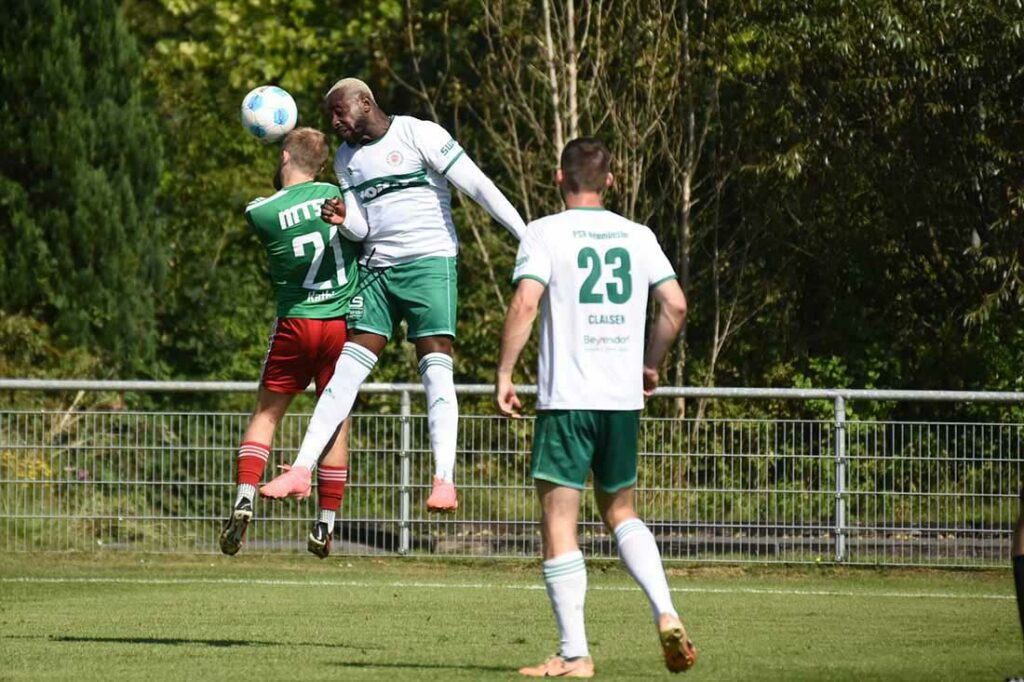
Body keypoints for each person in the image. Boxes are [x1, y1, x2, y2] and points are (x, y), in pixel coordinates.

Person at [260, 78, 526, 512]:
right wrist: (344, 220)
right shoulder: (346, 160)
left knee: (435, 366)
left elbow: (477, 185)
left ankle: (444, 479)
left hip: (429, 264)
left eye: (339, 111)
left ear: (365, 103)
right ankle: (302, 470)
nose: (334, 121)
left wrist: (524, 234)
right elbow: (362, 228)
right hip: (377, 271)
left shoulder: (420, 134)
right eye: (330, 115)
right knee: (346, 370)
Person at [495, 138, 696, 677]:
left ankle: (575, 652)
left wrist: (505, 373)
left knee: (560, 520)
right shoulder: (639, 236)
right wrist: (649, 363)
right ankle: (666, 611)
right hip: (620, 402)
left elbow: (526, 302)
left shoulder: (545, 233)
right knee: (621, 511)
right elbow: (675, 302)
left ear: (560, 177)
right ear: (609, 181)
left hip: (568, 400)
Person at [220, 126, 367, 559]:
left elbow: (273, 205)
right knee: (336, 421)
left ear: (285, 155)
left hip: (296, 323)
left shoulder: (261, 212)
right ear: (322, 164)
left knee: (266, 414)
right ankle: (325, 524)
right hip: (342, 324)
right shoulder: (342, 198)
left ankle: (245, 497)